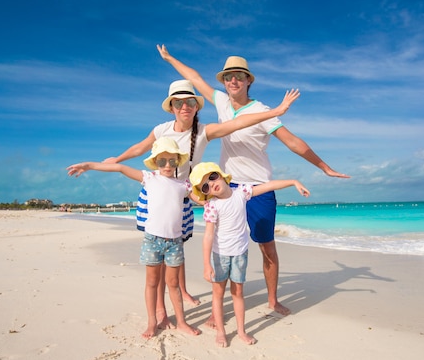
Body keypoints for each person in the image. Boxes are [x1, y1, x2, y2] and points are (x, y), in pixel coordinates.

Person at [157, 44, 350, 317]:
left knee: (266, 246)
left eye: (238, 75)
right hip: (226, 187)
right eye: (227, 76)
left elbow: (293, 142)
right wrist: (169, 58)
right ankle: (217, 309)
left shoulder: (262, 111)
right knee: (222, 248)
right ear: (224, 81)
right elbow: (196, 78)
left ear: (248, 80)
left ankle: (272, 301)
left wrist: (323, 167)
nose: (232, 80)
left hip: (258, 188)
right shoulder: (222, 102)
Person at [104, 79, 300, 329]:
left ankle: (181, 293)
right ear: (171, 106)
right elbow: (140, 148)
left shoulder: (204, 131)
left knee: (175, 248)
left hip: (184, 195)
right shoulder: (162, 129)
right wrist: (117, 159)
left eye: (189, 102)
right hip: (159, 196)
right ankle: (161, 310)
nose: (184, 106)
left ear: (196, 106)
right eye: (178, 102)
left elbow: (237, 123)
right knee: (159, 251)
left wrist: (275, 112)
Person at [67, 138, 202, 339]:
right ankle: (152, 322)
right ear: (155, 161)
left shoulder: (182, 185)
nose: (167, 165)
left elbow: (204, 200)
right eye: (162, 161)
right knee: (152, 283)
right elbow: (120, 168)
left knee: (173, 284)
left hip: (175, 242)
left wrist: (230, 195)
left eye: (172, 161)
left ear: (177, 162)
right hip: (152, 241)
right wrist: (90, 166)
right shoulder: (149, 178)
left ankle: (181, 322)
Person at [189, 162, 310, 347]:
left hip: (239, 254)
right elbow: (208, 236)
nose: (211, 184)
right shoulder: (212, 206)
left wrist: (293, 181)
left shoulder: (242, 193)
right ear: (206, 192)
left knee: (238, 293)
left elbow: (268, 186)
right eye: (205, 186)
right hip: (220, 255)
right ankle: (221, 332)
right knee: (218, 293)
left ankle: (241, 331)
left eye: (212, 177)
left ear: (220, 175)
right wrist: (206, 264)